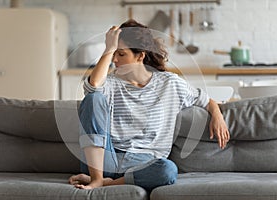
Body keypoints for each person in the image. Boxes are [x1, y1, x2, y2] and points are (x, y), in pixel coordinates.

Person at [69, 19, 230, 191]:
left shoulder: (170, 83)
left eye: (121, 54)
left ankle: (107, 183)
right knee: (94, 98)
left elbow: (205, 99)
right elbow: (93, 85)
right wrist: (109, 48)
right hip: (104, 161)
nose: (114, 59)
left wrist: (218, 115)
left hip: (144, 164)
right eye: (113, 53)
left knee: (168, 170)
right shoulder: (110, 83)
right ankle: (97, 178)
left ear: (140, 55)